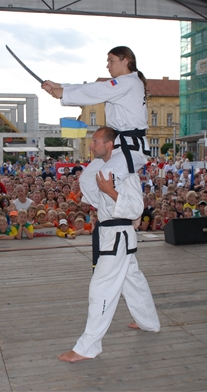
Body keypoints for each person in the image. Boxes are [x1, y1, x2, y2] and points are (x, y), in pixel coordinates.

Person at [58, 127, 160, 363]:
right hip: (112, 233)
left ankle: (87, 347)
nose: (91, 146)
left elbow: (136, 208)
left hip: (117, 236)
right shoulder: (105, 170)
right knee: (132, 280)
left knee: (101, 288)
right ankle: (149, 321)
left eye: (96, 141)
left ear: (110, 145)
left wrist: (111, 192)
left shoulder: (126, 174)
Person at [42, 46, 150, 209]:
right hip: (117, 146)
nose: (108, 65)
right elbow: (93, 88)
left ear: (125, 61)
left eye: (111, 61)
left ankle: (127, 212)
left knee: (105, 177)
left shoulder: (129, 82)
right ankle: (109, 212)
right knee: (88, 179)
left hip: (131, 148)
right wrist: (60, 86)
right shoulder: (123, 84)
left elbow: (98, 90)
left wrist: (64, 91)